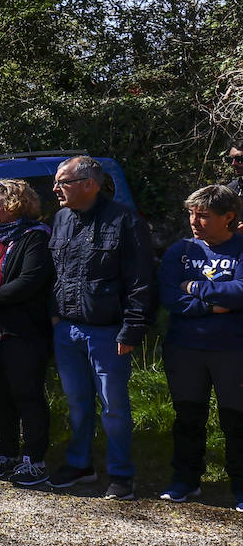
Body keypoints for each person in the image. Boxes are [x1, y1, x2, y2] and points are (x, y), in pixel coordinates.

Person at [47, 156, 154, 500]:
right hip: (68, 330)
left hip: (108, 333)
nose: (55, 189)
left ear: (88, 184)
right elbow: (54, 273)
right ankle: (80, 464)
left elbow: (141, 281)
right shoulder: (61, 218)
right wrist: (54, 315)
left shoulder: (125, 221)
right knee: (77, 404)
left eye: (63, 182)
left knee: (113, 407)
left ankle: (121, 474)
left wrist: (132, 329)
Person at [157, 186, 243, 511]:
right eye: (192, 213)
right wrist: (211, 306)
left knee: (236, 421)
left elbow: (241, 291)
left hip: (233, 351)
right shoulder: (180, 250)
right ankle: (185, 481)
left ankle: (241, 486)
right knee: (188, 418)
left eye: (204, 215)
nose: (195, 221)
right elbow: (167, 295)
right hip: (185, 349)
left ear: (229, 217)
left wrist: (194, 286)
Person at [0, 180, 54, 485]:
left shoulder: (36, 237)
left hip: (22, 332)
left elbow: (29, 281)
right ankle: (7, 452)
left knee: (26, 395)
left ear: (15, 205)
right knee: (0, 396)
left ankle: (34, 459)